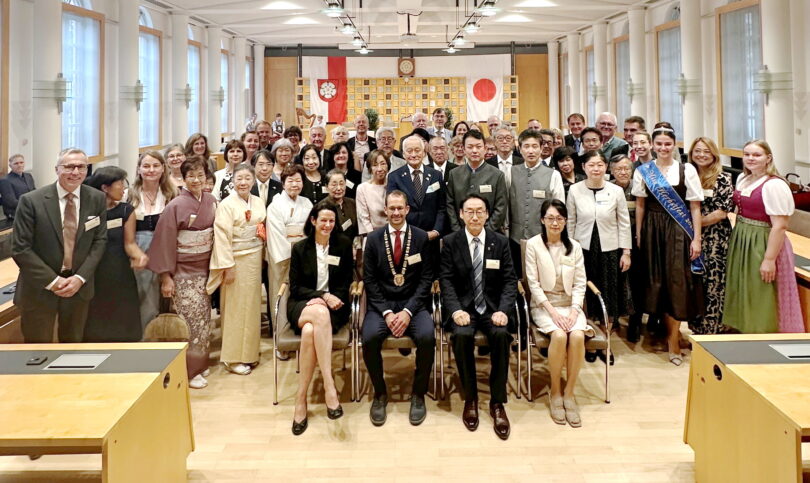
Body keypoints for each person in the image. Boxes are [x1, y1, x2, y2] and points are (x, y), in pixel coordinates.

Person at [439, 194, 517, 440]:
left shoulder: (500, 242)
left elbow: (510, 281)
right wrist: (455, 310)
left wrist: (503, 310)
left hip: (493, 309)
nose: (474, 216)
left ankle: (497, 402)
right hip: (464, 309)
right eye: (469, 211)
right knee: (461, 336)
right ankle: (470, 398)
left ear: (487, 214)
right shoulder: (450, 242)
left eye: (479, 211)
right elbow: (446, 281)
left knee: (501, 335)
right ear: (461, 214)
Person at [11, 148, 107, 342]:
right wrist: (53, 281)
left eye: (81, 167)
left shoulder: (97, 198)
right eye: (69, 166)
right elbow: (21, 248)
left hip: (78, 288)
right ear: (57, 169)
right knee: (37, 349)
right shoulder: (31, 201)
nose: (75, 172)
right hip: (39, 287)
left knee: (72, 347)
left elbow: (99, 240)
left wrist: (80, 278)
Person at [632, 127, 704, 366]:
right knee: (658, 282)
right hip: (652, 229)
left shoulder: (687, 170)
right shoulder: (644, 171)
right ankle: (664, 331)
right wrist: (639, 234)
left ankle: (674, 339)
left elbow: (695, 206)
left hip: (678, 230)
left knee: (677, 282)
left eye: (667, 144)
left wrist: (696, 238)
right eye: (659, 144)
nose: (663, 148)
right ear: (652, 145)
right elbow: (640, 204)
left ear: (674, 145)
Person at [362, 190, 435, 427]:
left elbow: (426, 279)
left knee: (427, 336)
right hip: (382, 306)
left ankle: (418, 394)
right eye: (391, 208)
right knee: (369, 337)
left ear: (407, 210)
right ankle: (380, 393)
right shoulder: (373, 239)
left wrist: (408, 311)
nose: (395, 212)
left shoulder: (421, 237)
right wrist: (387, 313)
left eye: (399, 208)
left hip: (413, 304)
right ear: (385, 210)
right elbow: (369, 280)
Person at [148, 155, 217, 388]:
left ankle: (200, 363)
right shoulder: (175, 206)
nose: (196, 180)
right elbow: (164, 242)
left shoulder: (211, 200)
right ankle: (188, 370)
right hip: (183, 272)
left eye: (200, 175)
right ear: (184, 178)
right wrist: (166, 277)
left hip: (205, 269)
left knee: (203, 319)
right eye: (191, 176)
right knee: (189, 320)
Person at [723, 140, 803, 334]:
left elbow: (780, 225)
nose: (751, 158)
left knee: (761, 290)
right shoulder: (743, 178)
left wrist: (769, 259)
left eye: (756, 155)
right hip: (743, 237)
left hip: (763, 241)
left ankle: (761, 332)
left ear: (768, 158)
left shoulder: (774, 184)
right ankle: (744, 329)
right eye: (747, 154)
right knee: (745, 286)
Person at [288, 203, 354, 435]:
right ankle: (329, 385)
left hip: (335, 307)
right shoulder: (300, 248)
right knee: (319, 313)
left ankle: (300, 399)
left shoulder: (343, 245)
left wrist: (329, 299)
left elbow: (345, 283)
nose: (327, 225)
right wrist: (321, 296)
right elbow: (295, 288)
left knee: (309, 332)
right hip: (303, 304)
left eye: (331, 221)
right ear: (313, 221)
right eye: (323, 220)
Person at [524, 199, 591, 427]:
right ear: (542, 220)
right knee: (560, 336)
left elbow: (580, 283)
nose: (555, 223)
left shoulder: (574, 246)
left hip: (570, 305)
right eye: (550, 218)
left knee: (578, 335)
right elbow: (533, 284)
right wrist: (553, 313)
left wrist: (574, 311)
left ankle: (569, 393)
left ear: (565, 221)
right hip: (545, 305)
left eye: (559, 218)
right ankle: (555, 391)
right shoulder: (533, 245)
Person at [567, 151, 632, 340]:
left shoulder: (616, 191)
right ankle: (585, 334)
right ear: (583, 167)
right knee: (584, 291)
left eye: (600, 165)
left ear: (606, 167)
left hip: (610, 250)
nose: (596, 169)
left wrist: (626, 252)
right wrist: (569, 249)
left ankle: (605, 338)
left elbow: (624, 223)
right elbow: (571, 221)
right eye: (591, 165)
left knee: (608, 292)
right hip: (583, 249)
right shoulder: (575, 190)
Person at [208, 163, 267, 376]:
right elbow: (221, 237)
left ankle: (249, 353)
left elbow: (261, 227)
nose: (243, 182)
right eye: (239, 178)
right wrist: (227, 266)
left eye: (247, 178)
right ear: (232, 181)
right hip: (235, 259)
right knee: (234, 307)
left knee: (251, 307)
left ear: (253, 181)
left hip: (254, 257)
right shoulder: (226, 204)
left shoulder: (258, 201)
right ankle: (233, 358)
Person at [83, 166, 147, 342]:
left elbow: (130, 243)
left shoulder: (126, 210)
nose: (124, 188)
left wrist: (139, 255)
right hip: (94, 272)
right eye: (120, 184)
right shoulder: (87, 212)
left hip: (120, 272)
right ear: (105, 187)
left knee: (123, 319)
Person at [684, 138, 733, 335]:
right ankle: (696, 326)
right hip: (690, 237)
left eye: (706, 151)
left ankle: (712, 327)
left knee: (713, 282)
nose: (701, 155)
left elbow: (721, 212)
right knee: (695, 282)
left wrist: (694, 225)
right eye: (697, 151)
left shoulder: (723, 178)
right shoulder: (686, 175)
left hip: (715, 238)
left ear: (713, 154)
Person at [128, 151, 177, 328]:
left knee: (167, 299)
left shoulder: (172, 194)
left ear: (163, 168)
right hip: (139, 253)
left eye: (156, 166)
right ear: (139, 169)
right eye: (146, 166)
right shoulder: (129, 195)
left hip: (167, 252)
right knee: (144, 301)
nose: (151, 170)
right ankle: (144, 339)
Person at [509, 129, 565, 275]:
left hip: (543, 237)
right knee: (517, 277)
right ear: (520, 149)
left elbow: (559, 209)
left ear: (541, 148)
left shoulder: (553, 175)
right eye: (526, 146)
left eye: (535, 146)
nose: (531, 151)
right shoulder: (510, 172)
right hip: (515, 238)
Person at [266, 165, 313, 320]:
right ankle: (280, 327)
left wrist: (307, 253)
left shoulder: (307, 203)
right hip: (284, 258)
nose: (294, 184)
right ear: (283, 183)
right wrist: (294, 254)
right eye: (290, 181)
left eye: (298, 181)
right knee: (281, 291)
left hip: (304, 256)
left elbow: (311, 231)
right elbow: (276, 237)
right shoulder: (275, 206)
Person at [446, 130, 508, 233]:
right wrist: (459, 231)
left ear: (485, 149)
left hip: (489, 234)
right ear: (464, 149)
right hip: (460, 233)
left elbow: (500, 207)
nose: (474, 151)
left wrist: (485, 232)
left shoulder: (497, 175)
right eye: (470, 147)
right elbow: (450, 205)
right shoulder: (454, 174)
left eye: (478, 147)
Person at [388, 136, 446, 241]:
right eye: (409, 151)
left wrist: (436, 231)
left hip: (432, 236)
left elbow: (442, 207)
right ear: (403, 154)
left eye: (417, 150)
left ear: (424, 152)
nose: (414, 154)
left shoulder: (436, 175)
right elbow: (393, 208)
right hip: (405, 237)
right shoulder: (394, 177)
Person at [316, 169, 358, 241]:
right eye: (334, 185)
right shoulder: (321, 207)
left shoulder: (352, 203)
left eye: (341, 184)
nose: (339, 188)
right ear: (326, 187)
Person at [356, 149, 390, 235]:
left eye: (383, 164)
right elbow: (364, 219)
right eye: (375, 165)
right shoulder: (362, 188)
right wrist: (374, 238)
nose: (379, 169)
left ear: (388, 166)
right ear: (370, 168)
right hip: (371, 235)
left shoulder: (394, 185)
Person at [0, 154, 36, 220]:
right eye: (16, 163)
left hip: (30, 210)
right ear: (10, 166)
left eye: (21, 162)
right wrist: (30, 206)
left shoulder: (28, 176)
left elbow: (34, 192)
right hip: (15, 214)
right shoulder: (5, 180)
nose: (19, 165)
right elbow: (11, 202)